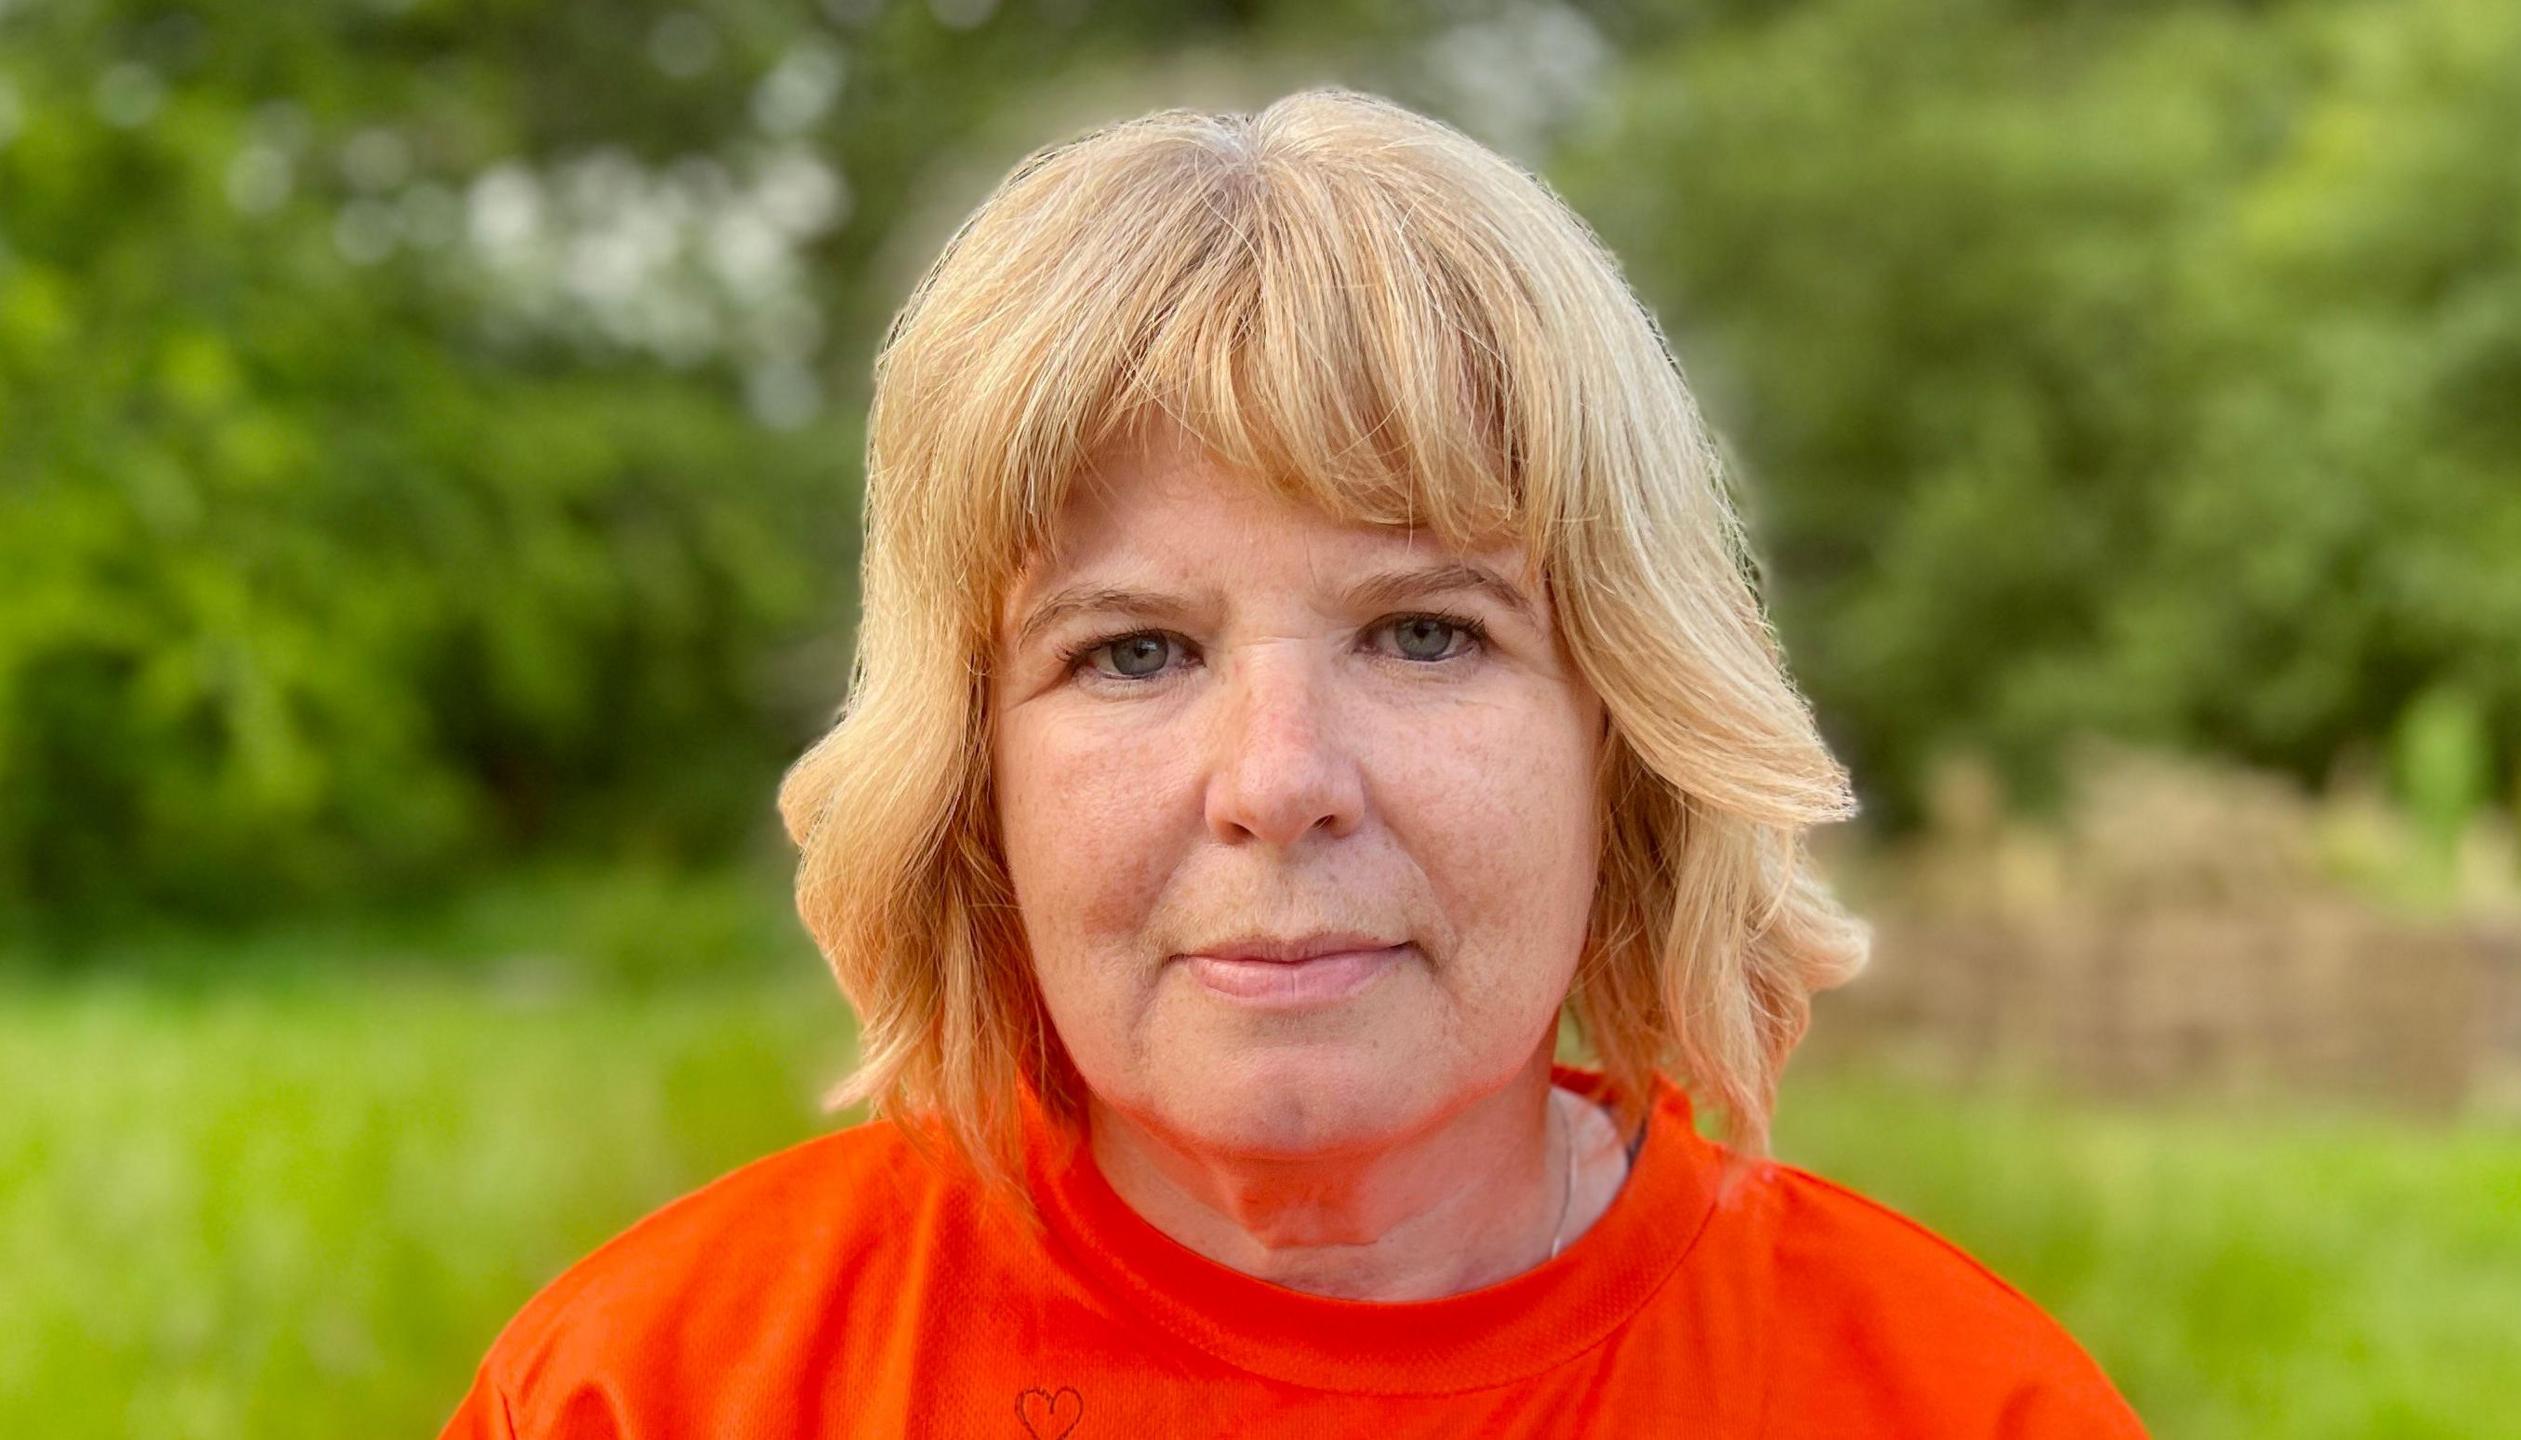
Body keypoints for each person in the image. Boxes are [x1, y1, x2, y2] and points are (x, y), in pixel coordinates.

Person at [438, 87, 2147, 1437]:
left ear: (1623, 739)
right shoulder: (648, 1399)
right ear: (973, 788)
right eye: (1132, 652)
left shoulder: (1958, 1407)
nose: (1279, 776)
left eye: (1424, 634)